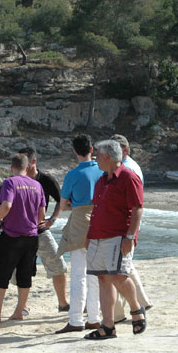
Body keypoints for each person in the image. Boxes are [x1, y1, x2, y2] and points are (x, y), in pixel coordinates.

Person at [84, 140, 146, 340]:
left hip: (118, 236)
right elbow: (97, 209)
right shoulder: (102, 179)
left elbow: (137, 209)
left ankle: (136, 309)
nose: (96, 160)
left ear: (107, 157)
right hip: (98, 236)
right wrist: (90, 235)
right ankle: (108, 326)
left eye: (98, 156)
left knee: (118, 276)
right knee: (103, 278)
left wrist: (129, 237)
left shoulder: (129, 177)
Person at [54, 135, 103, 333]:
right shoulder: (102, 170)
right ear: (92, 149)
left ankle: (76, 320)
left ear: (74, 151)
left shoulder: (73, 175)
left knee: (78, 274)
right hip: (100, 222)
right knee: (95, 274)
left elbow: (63, 204)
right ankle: (94, 317)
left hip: (80, 222)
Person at [0, 154, 45, 324]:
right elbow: (42, 214)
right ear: (27, 168)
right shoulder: (37, 185)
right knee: (25, 274)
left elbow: (6, 205)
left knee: (0, 274)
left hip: (11, 235)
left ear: (12, 167)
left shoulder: (10, 182)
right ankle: (19, 311)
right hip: (31, 236)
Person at [109, 134, 154, 322]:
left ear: (125, 150)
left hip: (123, 226)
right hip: (125, 225)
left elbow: (135, 206)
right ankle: (142, 301)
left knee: (116, 270)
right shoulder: (127, 166)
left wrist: (129, 234)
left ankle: (119, 313)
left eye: (115, 149)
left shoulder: (128, 169)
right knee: (124, 266)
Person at [18, 147, 69, 312]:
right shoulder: (17, 179)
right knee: (23, 269)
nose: (23, 165)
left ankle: (63, 303)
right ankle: (23, 306)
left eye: (26, 161)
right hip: (20, 231)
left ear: (34, 161)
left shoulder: (46, 179)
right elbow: (1, 199)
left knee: (58, 265)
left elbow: (62, 201)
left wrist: (52, 220)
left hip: (40, 230)